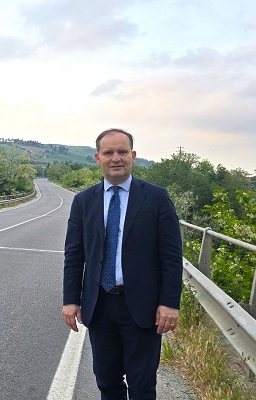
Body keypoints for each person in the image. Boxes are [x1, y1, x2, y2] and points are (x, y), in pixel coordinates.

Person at [62, 128, 183, 399]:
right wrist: (71, 300)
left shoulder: (156, 197)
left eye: (122, 152)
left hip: (143, 307)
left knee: (142, 385)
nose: (115, 158)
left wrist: (169, 303)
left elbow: (172, 257)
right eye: (108, 152)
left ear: (133, 156)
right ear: (98, 158)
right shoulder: (83, 201)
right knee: (107, 381)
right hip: (100, 304)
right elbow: (74, 255)